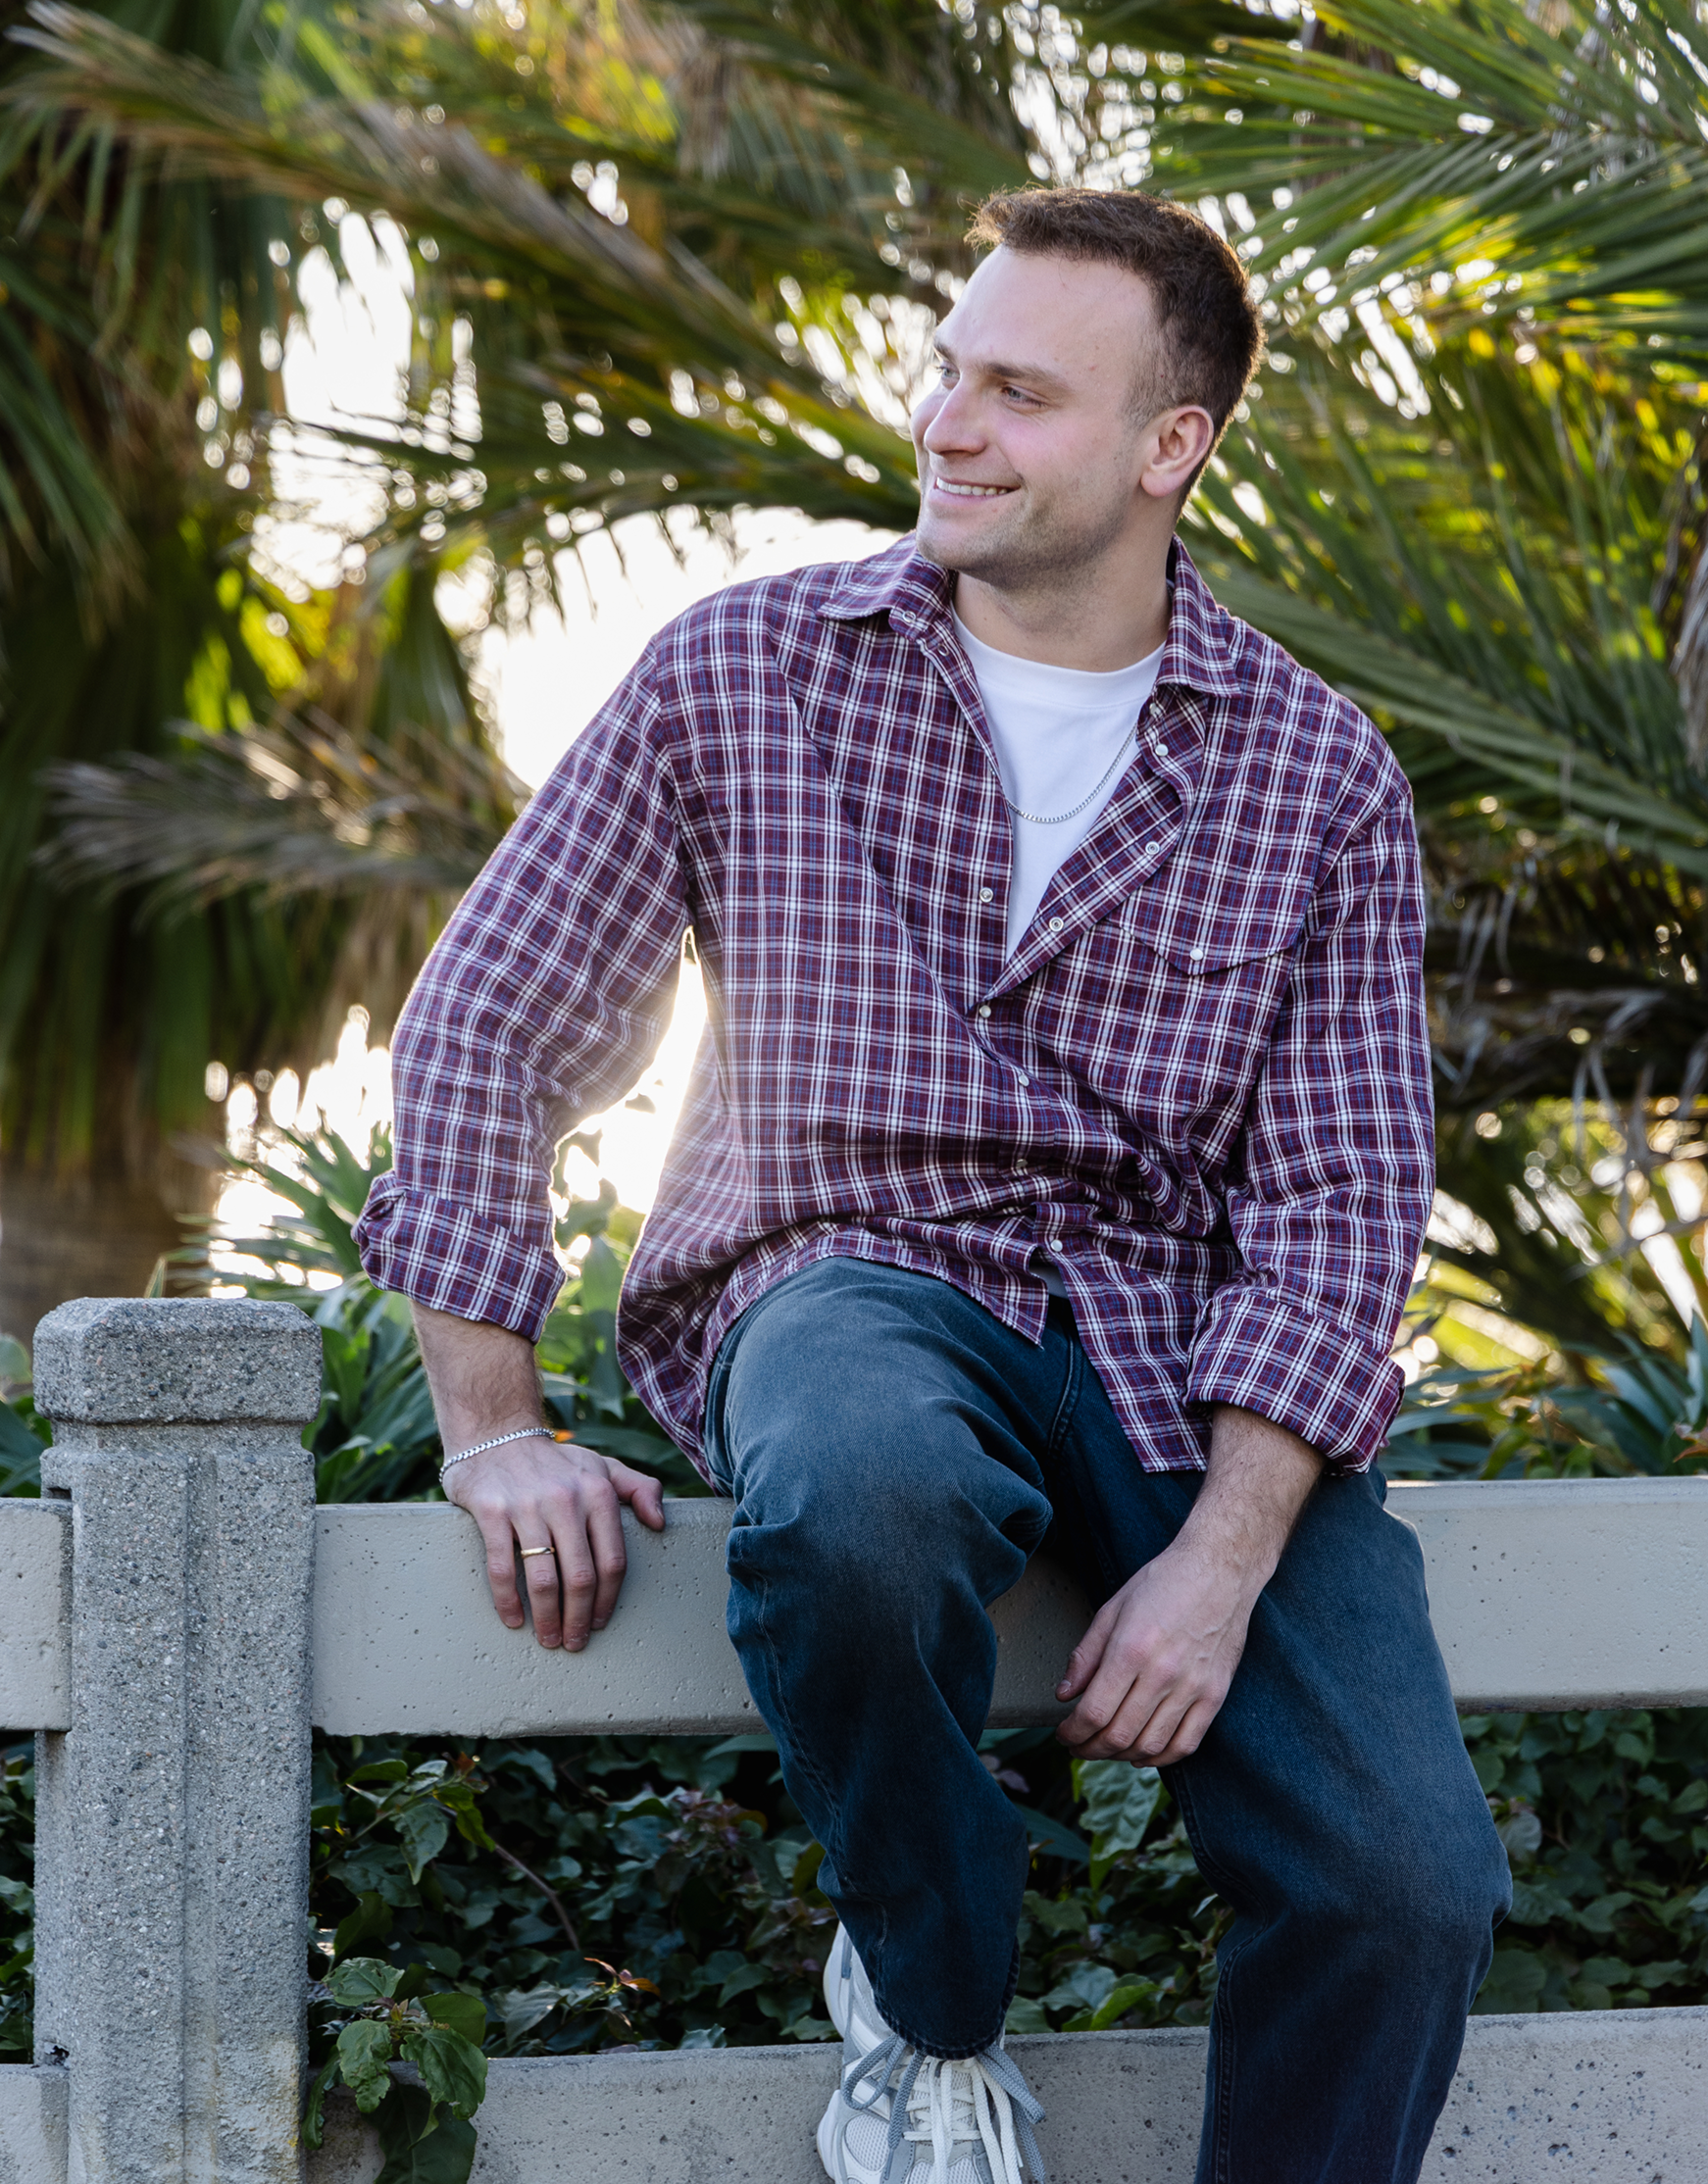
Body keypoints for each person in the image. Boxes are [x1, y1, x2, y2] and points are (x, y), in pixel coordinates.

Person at [356, 185, 1509, 2184]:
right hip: (848, 1274)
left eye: (1020, 393)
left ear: (1172, 447)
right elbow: (488, 1025)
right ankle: (933, 2001)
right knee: (863, 1491)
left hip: (1178, 1351)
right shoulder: (745, 672)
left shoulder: (1319, 775)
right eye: (949, 369)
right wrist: (492, 1424)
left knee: (1404, 1876)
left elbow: (1336, 1206)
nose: (948, 422)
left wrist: (1222, 1566)